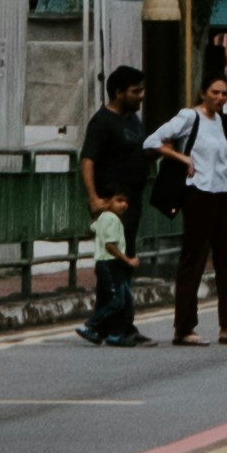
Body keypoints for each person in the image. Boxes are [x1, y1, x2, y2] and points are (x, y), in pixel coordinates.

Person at [149, 57, 227, 347]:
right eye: (215, 92)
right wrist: (182, 157)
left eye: (224, 93)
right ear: (202, 93)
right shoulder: (188, 117)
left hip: (219, 195)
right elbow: (152, 141)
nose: (220, 97)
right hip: (197, 194)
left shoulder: (219, 120)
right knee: (193, 260)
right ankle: (184, 328)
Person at [79, 64, 155, 344]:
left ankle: (107, 325)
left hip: (132, 203)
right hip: (112, 205)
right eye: (135, 91)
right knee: (117, 266)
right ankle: (120, 328)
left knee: (121, 264)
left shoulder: (133, 121)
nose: (141, 96)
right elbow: (88, 160)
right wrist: (95, 199)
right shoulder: (102, 122)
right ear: (118, 92)